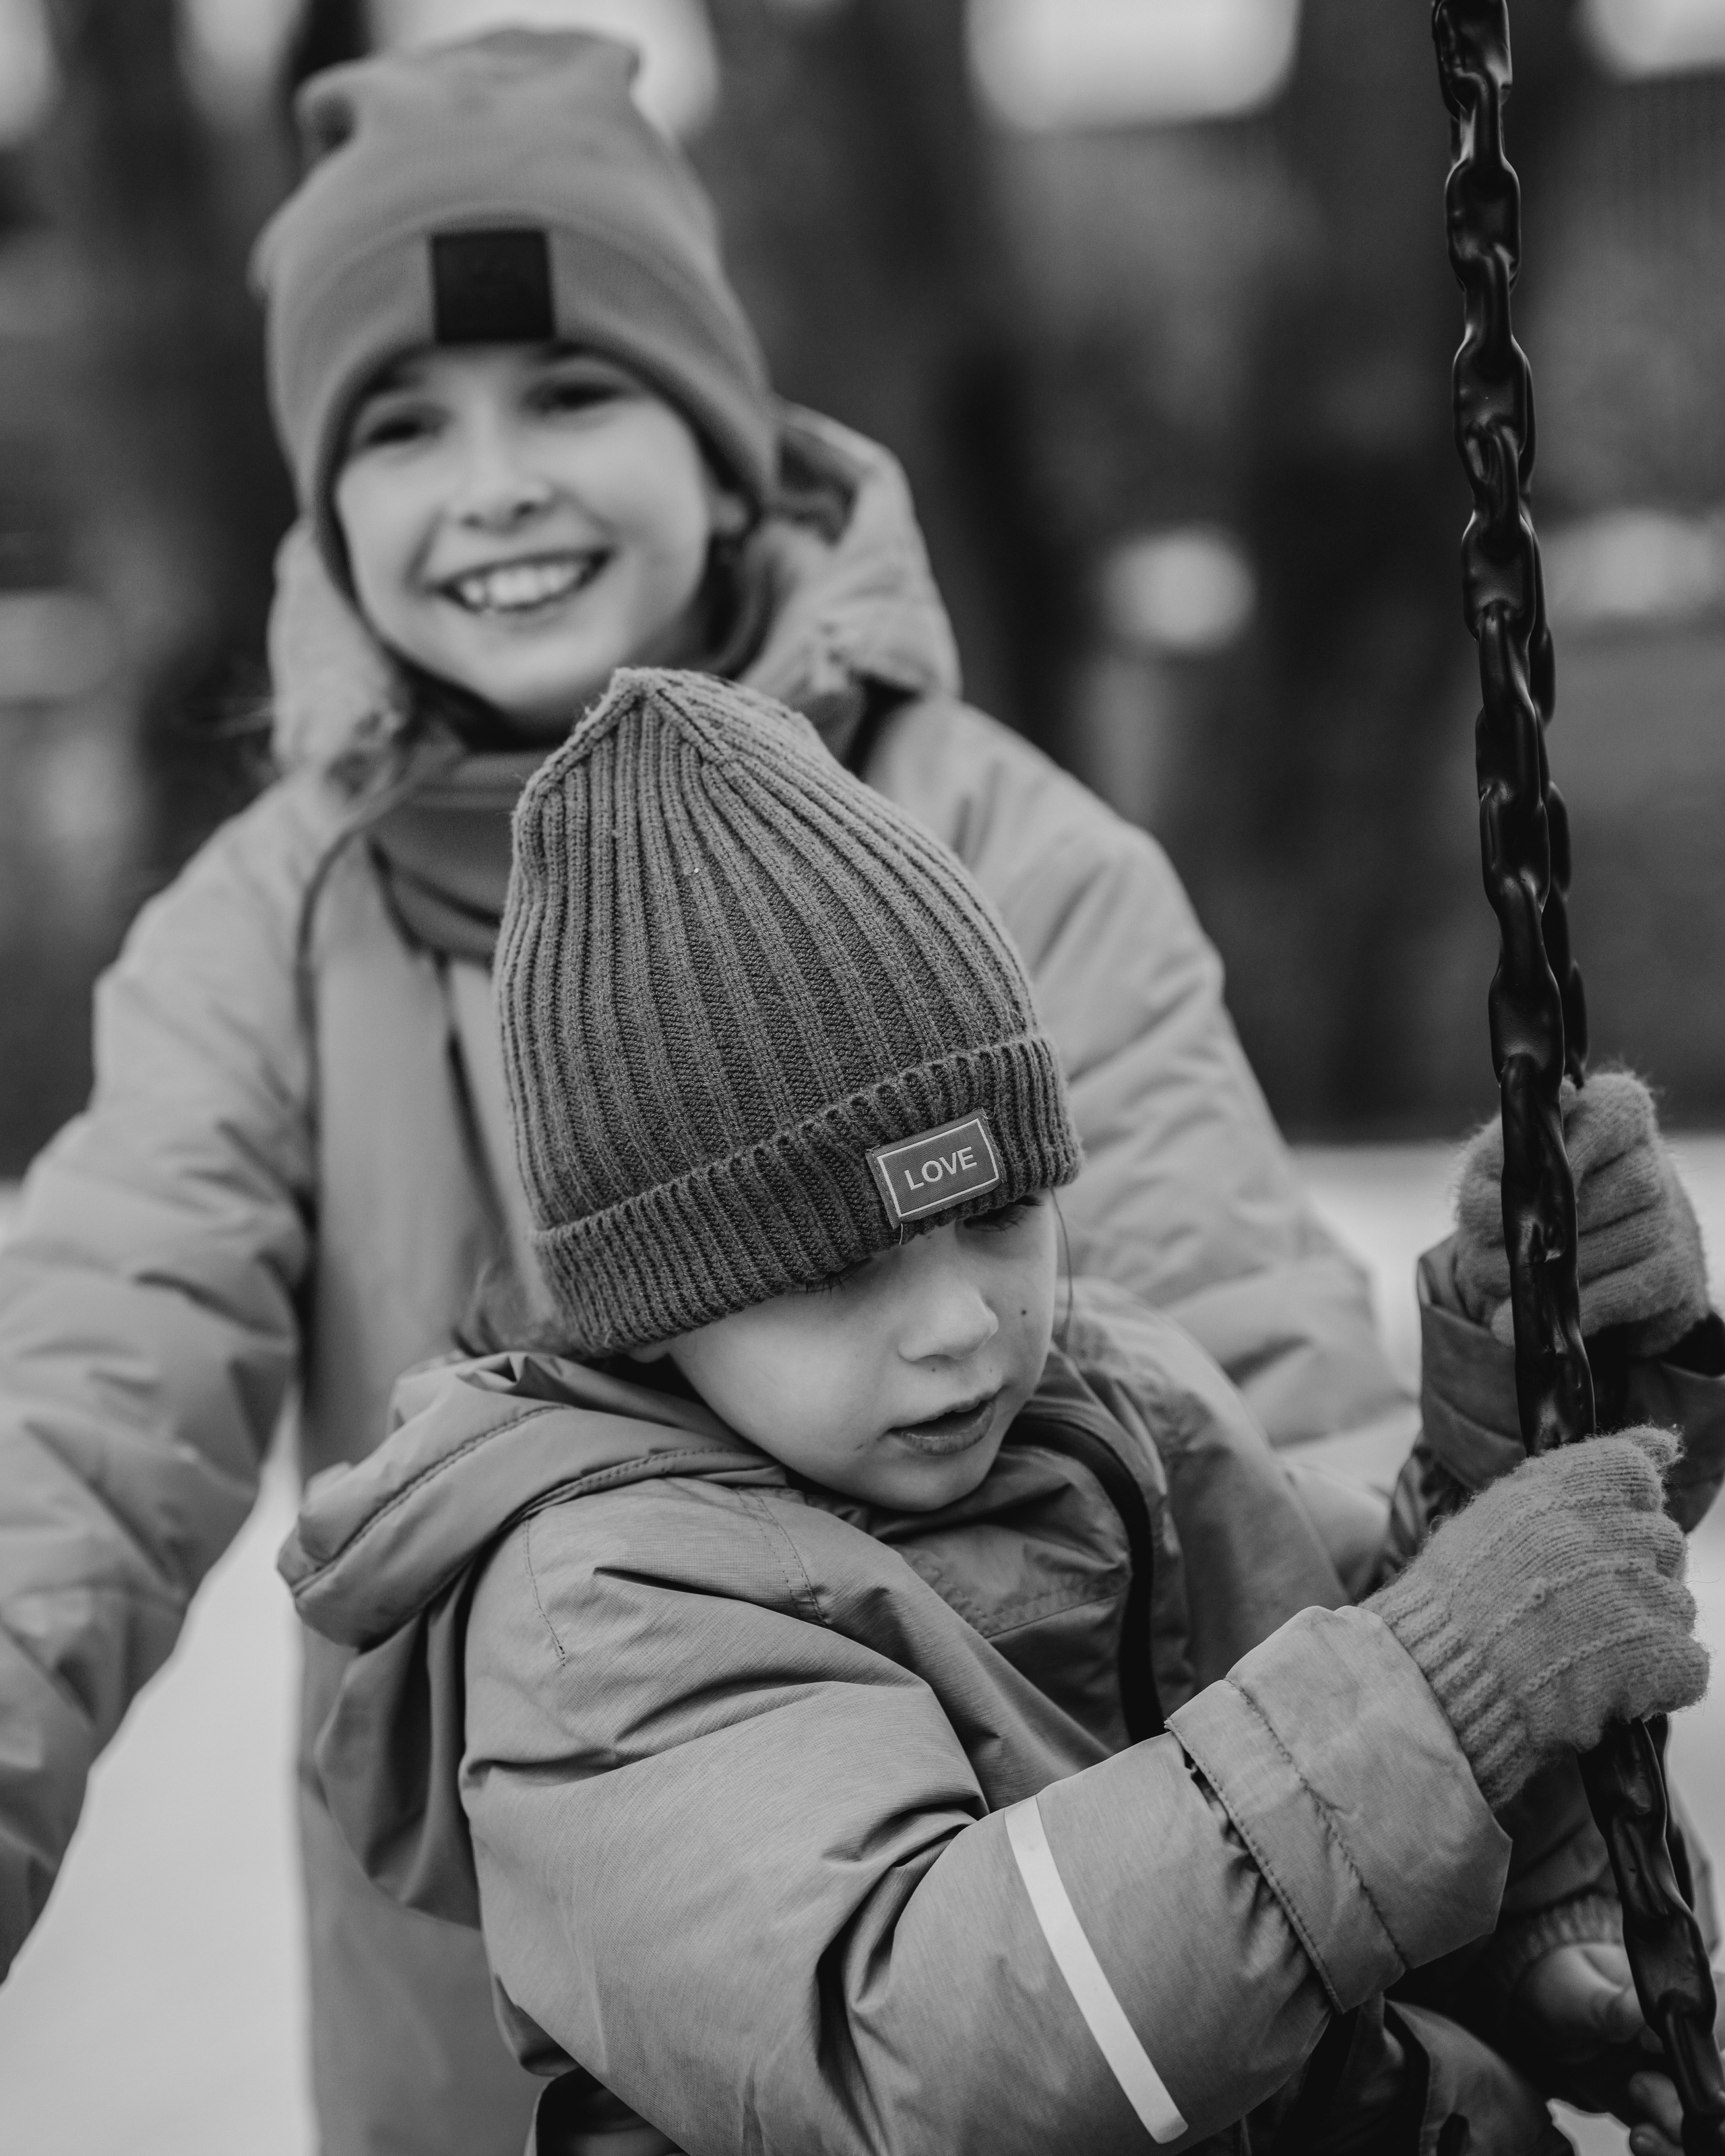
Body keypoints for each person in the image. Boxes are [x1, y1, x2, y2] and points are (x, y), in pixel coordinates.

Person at [0, 28, 1420, 2156]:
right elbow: (78, 1427)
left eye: (572, 391)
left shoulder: (993, 854)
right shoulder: (275, 937)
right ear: (321, 498)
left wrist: (1415, 1761)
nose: (492, 482)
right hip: (477, 2050)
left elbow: (1236, 1370)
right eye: (400, 427)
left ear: (723, 431)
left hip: (1038, 1993)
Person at [284, 666, 1710, 2155]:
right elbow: (923, 2052)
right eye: (840, 1271)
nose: (963, 1326)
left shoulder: (1121, 1411)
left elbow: (1373, 1694)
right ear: (658, 1301)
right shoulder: (604, 1616)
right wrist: (1440, 1696)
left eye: (1001, 1209)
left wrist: (1545, 1376)